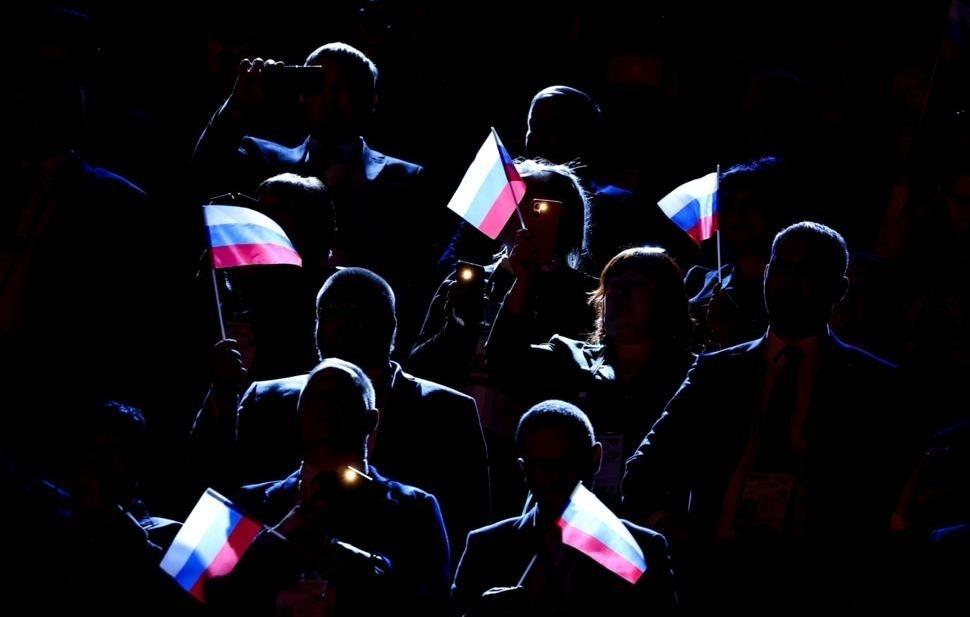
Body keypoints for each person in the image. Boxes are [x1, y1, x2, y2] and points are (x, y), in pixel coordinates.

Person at [622, 222, 914, 610]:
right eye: (781, 267)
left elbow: (886, 493)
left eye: (806, 271)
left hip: (818, 584)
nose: (789, 281)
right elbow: (642, 472)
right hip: (718, 578)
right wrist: (675, 533)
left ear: (838, 289)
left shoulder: (872, 384)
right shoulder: (717, 373)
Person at [190, 267, 489, 555]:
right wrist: (222, 397)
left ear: (389, 325)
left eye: (356, 313)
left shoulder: (448, 413)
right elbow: (211, 486)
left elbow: (467, 531)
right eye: (330, 313)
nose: (342, 326)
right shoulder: (267, 400)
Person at [193, 42, 433, 351]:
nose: (332, 98)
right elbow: (202, 175)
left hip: (361, 340)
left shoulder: (405, 179)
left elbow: (417, 272)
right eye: (319, 85)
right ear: (302, 95)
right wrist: (237, 105)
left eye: (346, 87)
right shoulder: (265, 160)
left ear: (371, 99)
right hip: (271, 335)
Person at [206, 358, 450, 616]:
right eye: (312, 398)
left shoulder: (416, 509)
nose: (324, 407)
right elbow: (189, 592)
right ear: (298, 414)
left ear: (371, 420)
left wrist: (356, 569)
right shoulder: (243, 501)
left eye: (341, 397)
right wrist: (277, 538)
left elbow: (434, 607)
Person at [453, 400, 675, 616]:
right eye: (543, 466)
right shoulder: (485, 548)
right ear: (524, 470)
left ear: (596, 459)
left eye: (567, 463)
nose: (555, 477)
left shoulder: (644, 550)